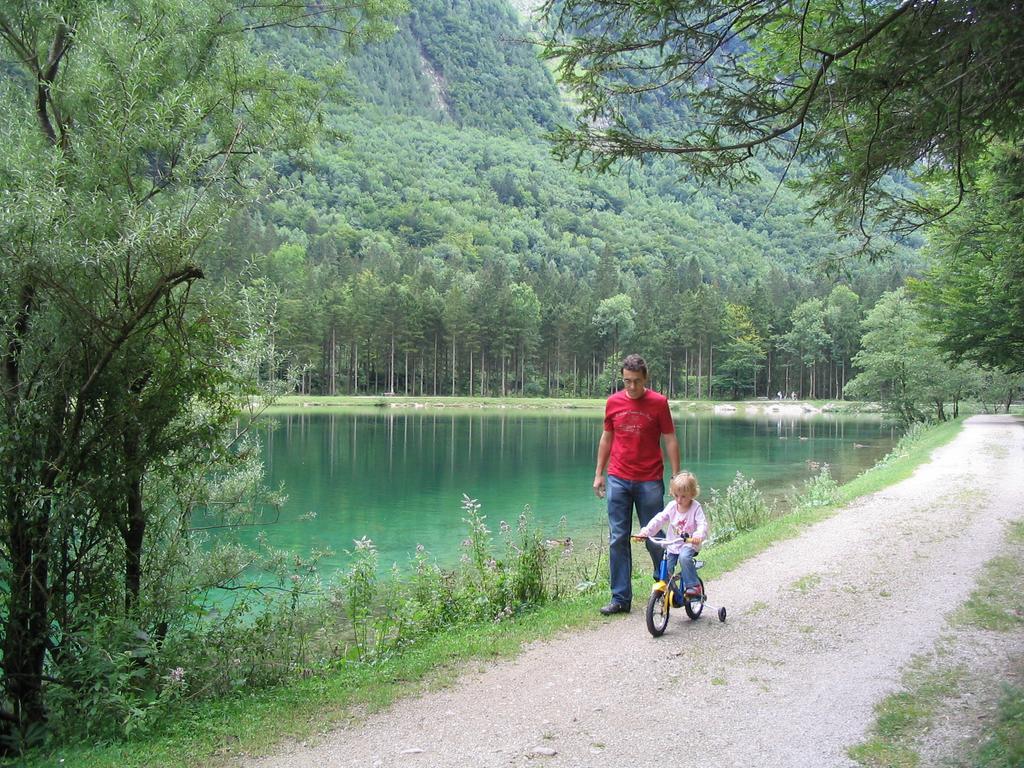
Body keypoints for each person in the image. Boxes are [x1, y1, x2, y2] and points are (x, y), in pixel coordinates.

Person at [594, 354, 680, 615]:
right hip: (618, 477)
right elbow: (607, 438)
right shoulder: (613, 403)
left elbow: (670, 439)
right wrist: (599, 473)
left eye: (636, 381)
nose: (631, 387)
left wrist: (676, 477)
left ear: (645, 379)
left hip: (649, 480)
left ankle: (664, 586)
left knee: (654, 536)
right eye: (626, 381)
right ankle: (620, 598)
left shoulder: (658, 403)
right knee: (617, 538)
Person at [633, 471, 708, 606]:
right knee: (666, 567)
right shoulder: (672, 506)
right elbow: (659, 519)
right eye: (676, 496)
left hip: (689, 545)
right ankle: (668, 591)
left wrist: (698, 535)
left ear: (692, 494)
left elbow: (702, 524)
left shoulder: (695, 507)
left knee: (684, 558)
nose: (679, 500)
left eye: (683, 496)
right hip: (673, 545)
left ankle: (694, 587)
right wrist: (645, 532)